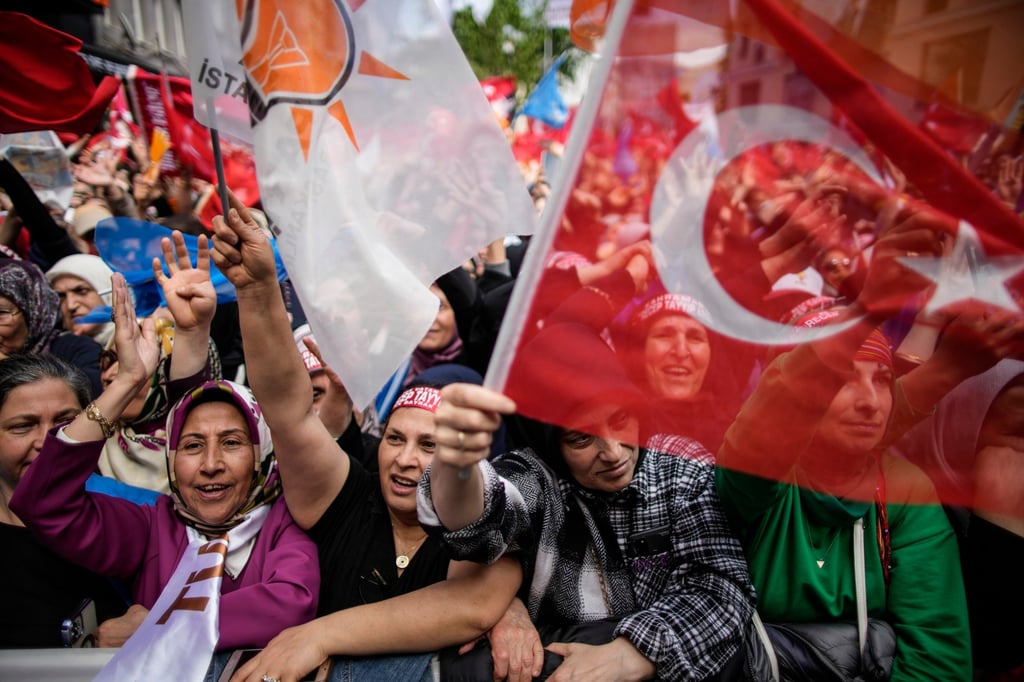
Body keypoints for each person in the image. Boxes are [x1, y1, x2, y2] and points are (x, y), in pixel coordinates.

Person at [210, 197, 520, 682]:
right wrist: (256, 290)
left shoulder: (494, 523)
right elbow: (288, 412)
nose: (405, 459)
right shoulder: (348, 498)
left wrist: (318, 636)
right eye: (395, 438)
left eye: (430, 446)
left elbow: (471, 605)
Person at [9, 245, 319, 654]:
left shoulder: (284, 523)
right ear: (171, 460)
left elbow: (289, 603)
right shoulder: (150, 528)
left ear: (263, 453)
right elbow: (43, 503)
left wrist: (159, 625)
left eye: (231, 443)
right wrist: (125, 383)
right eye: (192, 446)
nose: (211, 464)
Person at [419, 319, 755, 681]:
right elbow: (483, 515)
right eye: (581, 439)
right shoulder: (537, 476)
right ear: (550, 445)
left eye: (621, 419)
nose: (612, 453)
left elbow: (722, 588)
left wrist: (629, 655)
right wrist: (456, 466)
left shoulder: (681, 467)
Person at [716, 213, 974, 681]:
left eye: (882, 379)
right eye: (842, 379)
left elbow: (937, 660)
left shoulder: (904, 489)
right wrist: (869, 308)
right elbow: (775, 418)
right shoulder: (758, 478)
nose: (870, 402)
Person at [0, 353, 128, 647]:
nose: (47, 442)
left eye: (66, 423)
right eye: (22, 426)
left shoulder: (124, 518)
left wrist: (149, 625)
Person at [0, 256, 103, 396]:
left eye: (1, 313)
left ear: (33, 312)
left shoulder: (77, 350)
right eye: (61, 296)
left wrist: (8, 369)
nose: (71, 305)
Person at [45, 253, 115, 346]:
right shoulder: (53, 349)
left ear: (109, 291)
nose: (71, 305)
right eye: (61, 296)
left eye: (81, 291)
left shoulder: (133, 341)